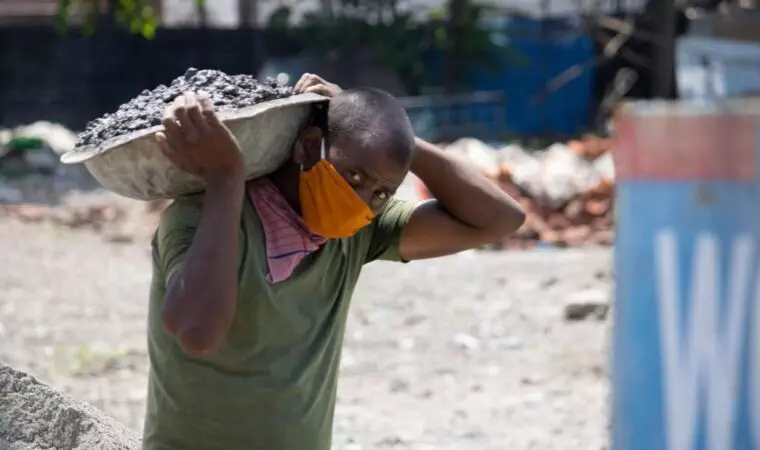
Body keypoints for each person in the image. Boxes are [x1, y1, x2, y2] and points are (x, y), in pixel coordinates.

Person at [143, 73, 525, 450]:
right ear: (309, 146)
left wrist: (403, 142)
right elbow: (198, 331)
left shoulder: (357, 233)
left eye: (380, 193)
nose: (361, 200)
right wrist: (227, 175)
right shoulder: (203, 217)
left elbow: (500, 219)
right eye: (354, 175)